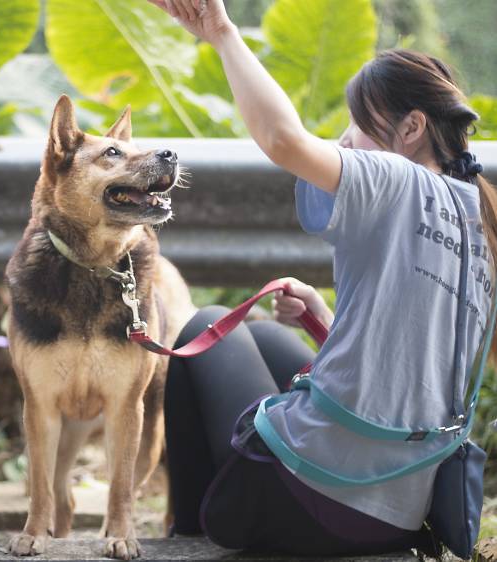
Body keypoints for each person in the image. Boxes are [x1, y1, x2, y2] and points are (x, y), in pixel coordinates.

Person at [149, 0, 496, 556]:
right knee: (263, 336)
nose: (345, 141)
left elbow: (284, 141)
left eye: (357, 123)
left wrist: (222, 34)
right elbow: (411, 364)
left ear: (411, 127)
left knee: (206, 325)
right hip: (400, 512)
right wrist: (327, 318)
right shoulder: (480, 216)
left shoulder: (394, 177)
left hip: (314, 504)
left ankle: (188, 535)